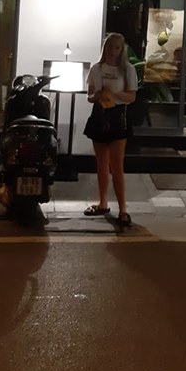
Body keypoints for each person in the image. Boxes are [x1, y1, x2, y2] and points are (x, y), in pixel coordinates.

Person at [83, 32, 137, 226]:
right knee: (101, 163)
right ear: (104, 47)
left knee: (117, 165)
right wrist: (98, 95)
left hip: (117, 115)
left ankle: (123, 209)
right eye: (110, 47)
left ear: (122, 50)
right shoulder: (96, 69)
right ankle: (103, 202)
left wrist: (114, 94)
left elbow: (132, 97)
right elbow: (89, 96)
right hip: (99, 114)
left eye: (117, 47)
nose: (113, 51)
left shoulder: (127, 69)